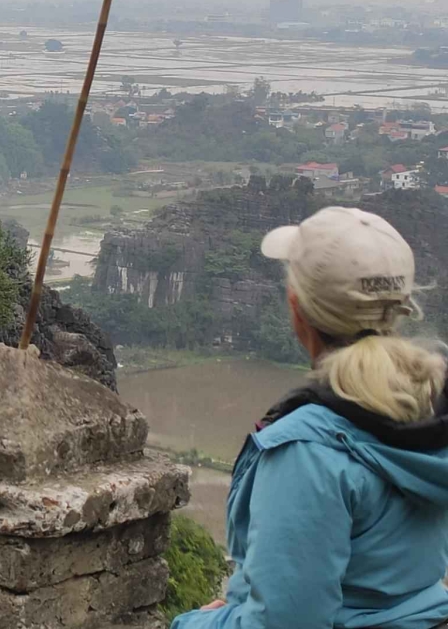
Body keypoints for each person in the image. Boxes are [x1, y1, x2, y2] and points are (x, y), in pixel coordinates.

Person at [171, 206, 448, 629]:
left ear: (296, 308)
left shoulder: (304, 452)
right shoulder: (429, 408)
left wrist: (194, 624)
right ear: (399, 308)